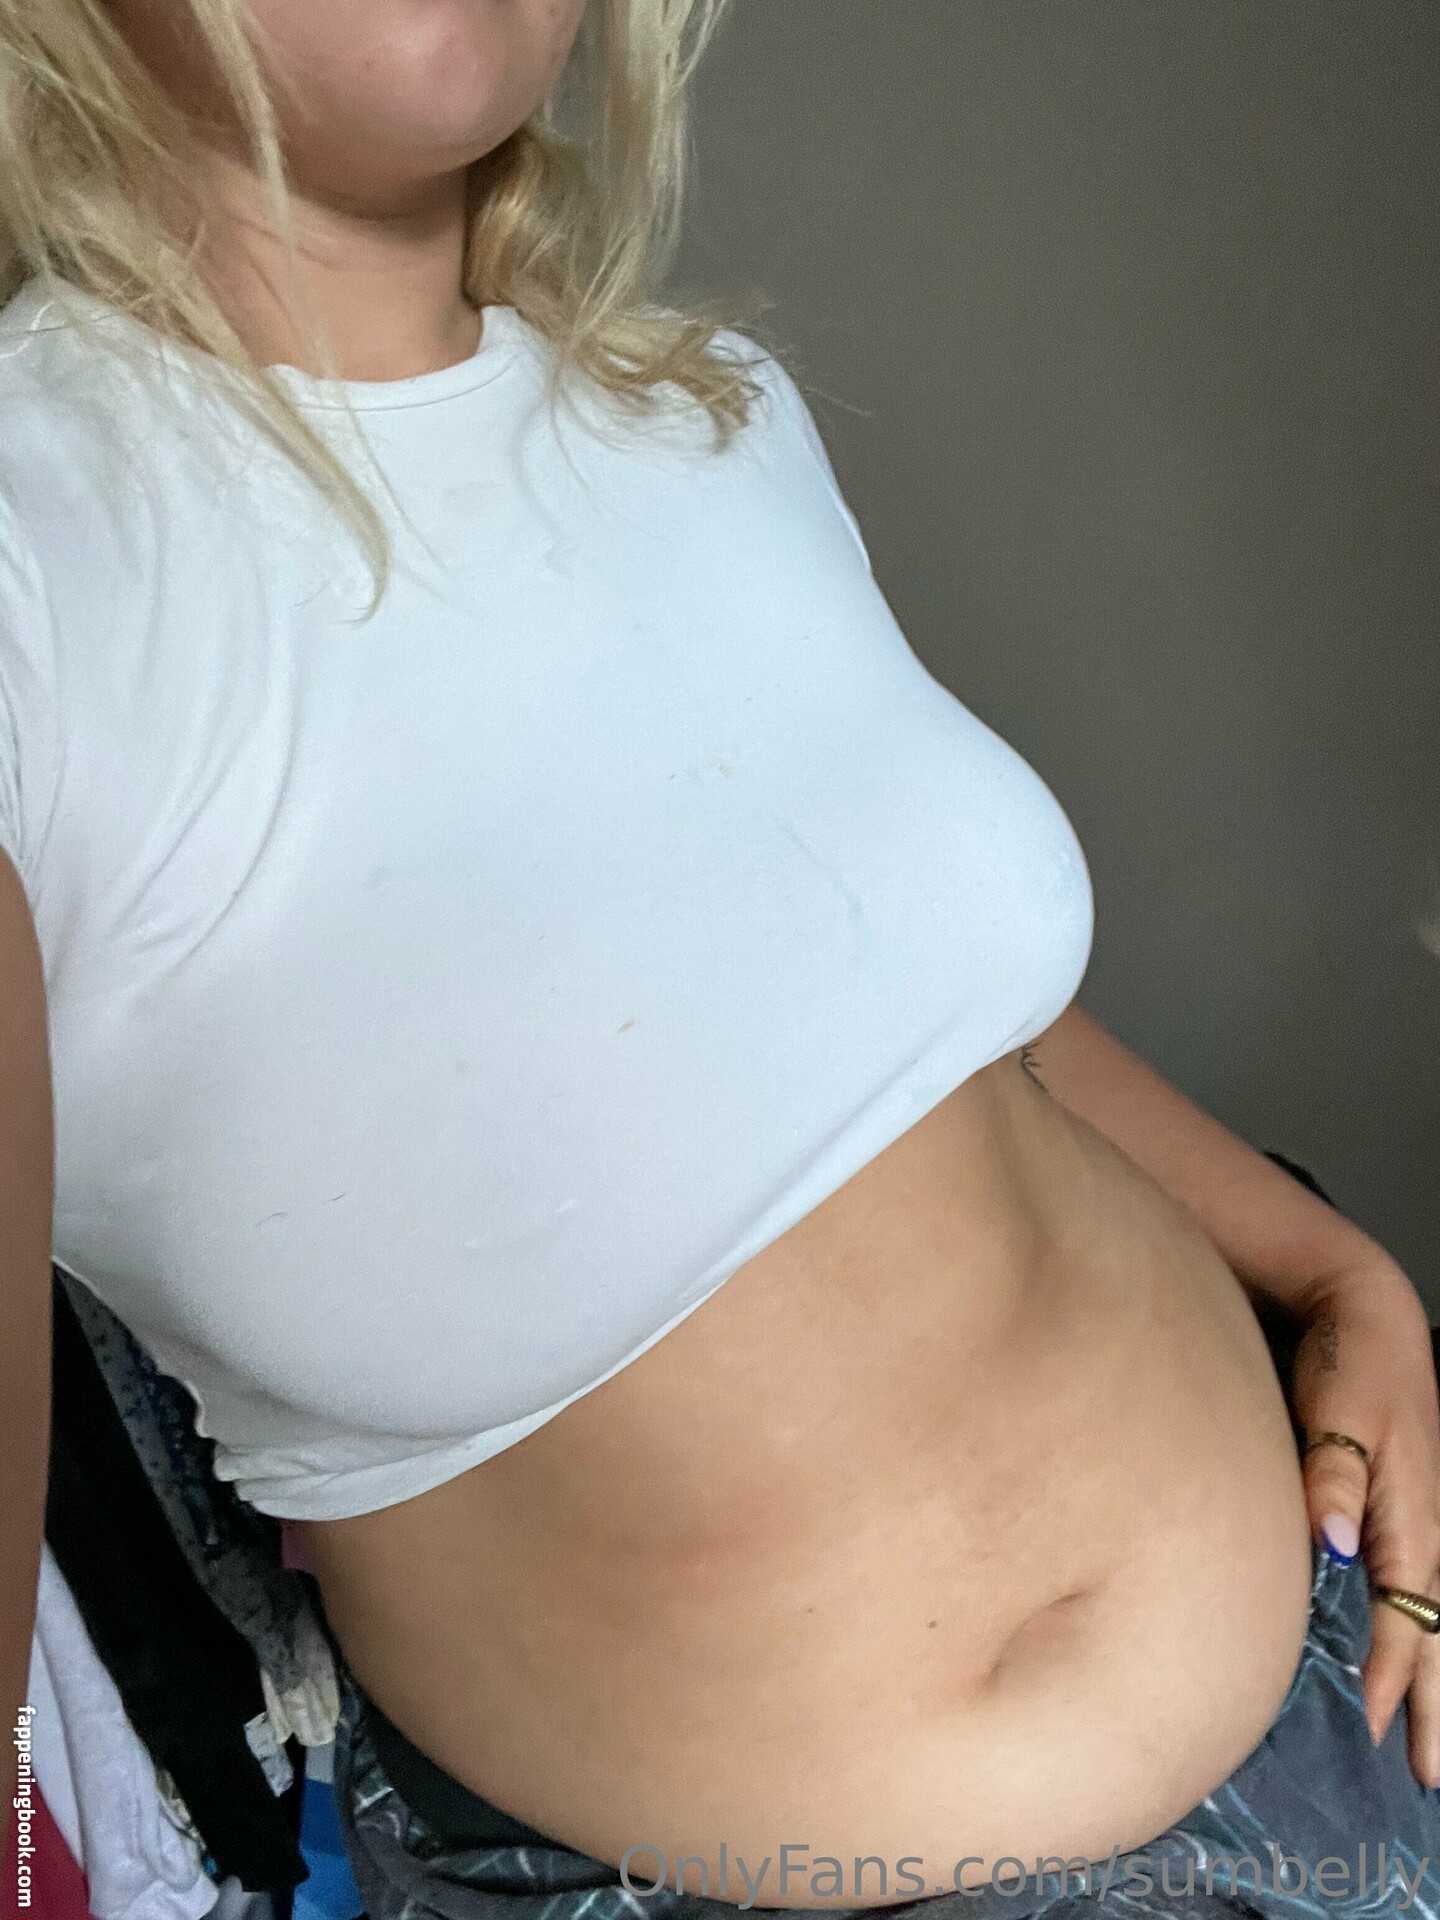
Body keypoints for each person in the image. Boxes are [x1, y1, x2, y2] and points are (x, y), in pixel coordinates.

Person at [0, 5, 1437, 1918]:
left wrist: (1334, 1270)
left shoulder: (703, 408)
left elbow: (920, 1020)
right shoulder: (33, 562)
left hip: (1354, 1659)